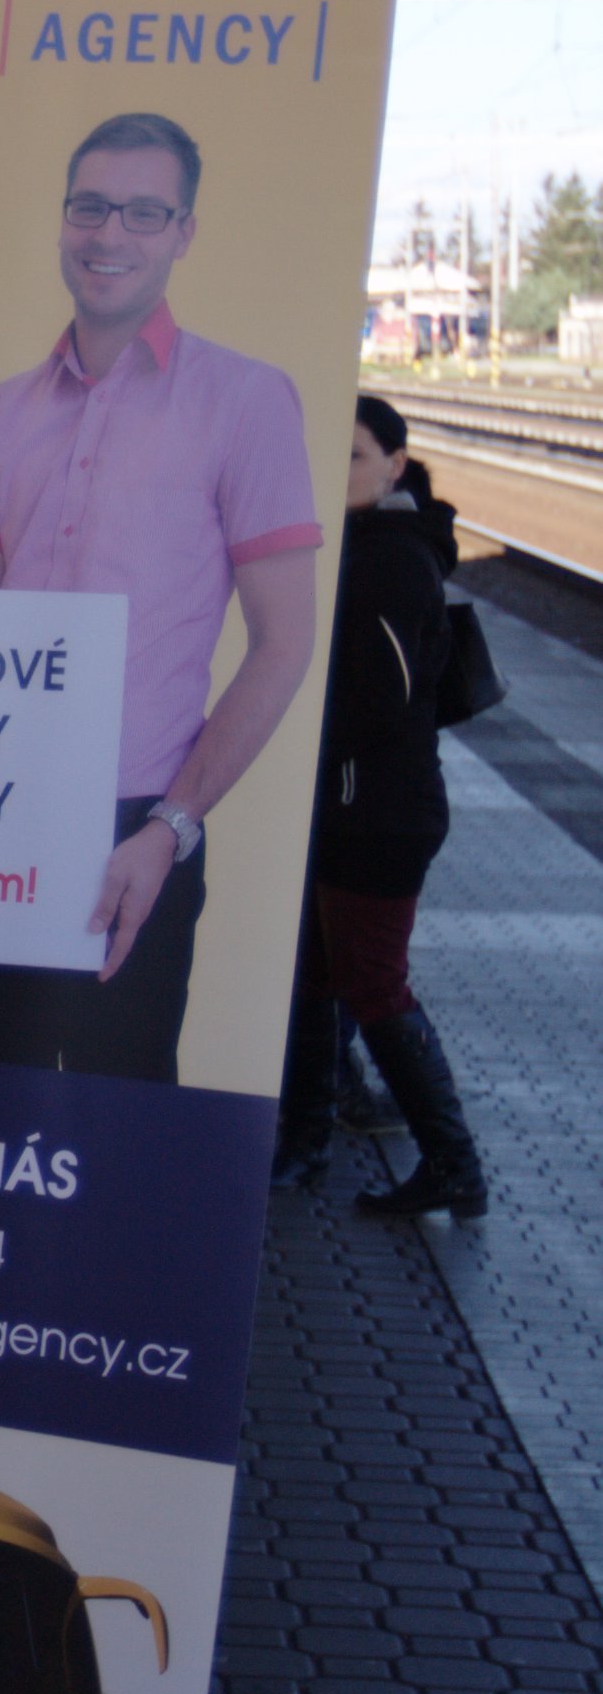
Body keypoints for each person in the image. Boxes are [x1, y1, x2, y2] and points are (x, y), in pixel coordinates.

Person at [0, 114, 319, 1082]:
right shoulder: (1, 412)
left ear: (184, 232)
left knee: (120, 1122)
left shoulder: (247, 400)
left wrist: (170, 829)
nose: (110, 233)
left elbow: (283, 644)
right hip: (1, 812)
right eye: (91, 207)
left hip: (139, 826)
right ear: (62, 219)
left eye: (144, 213)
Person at [272, 393, 487, 1220]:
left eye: (355, 456)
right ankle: (305, 1146)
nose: (339, 471)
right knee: (317, 978)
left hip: (381, 816)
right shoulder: (359, 543)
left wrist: (296, 744)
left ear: (395, 465)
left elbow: (384, 703)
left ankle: (454, 1165)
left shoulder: (394, 557)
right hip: (349, 808)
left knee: (373, 984)